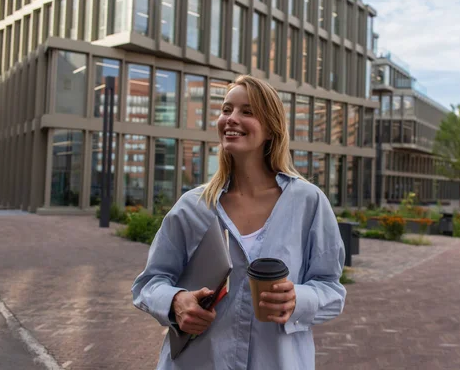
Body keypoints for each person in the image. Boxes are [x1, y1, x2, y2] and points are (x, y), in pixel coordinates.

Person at [132, 75, 346, 369]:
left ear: (271, 128)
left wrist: (299, 299)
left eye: (247, 111)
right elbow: (149, 283)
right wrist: (176, 302)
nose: (231, 119)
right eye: (226, 110)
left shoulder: (308, 203)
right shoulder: (193, 207)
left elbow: (330, 289)